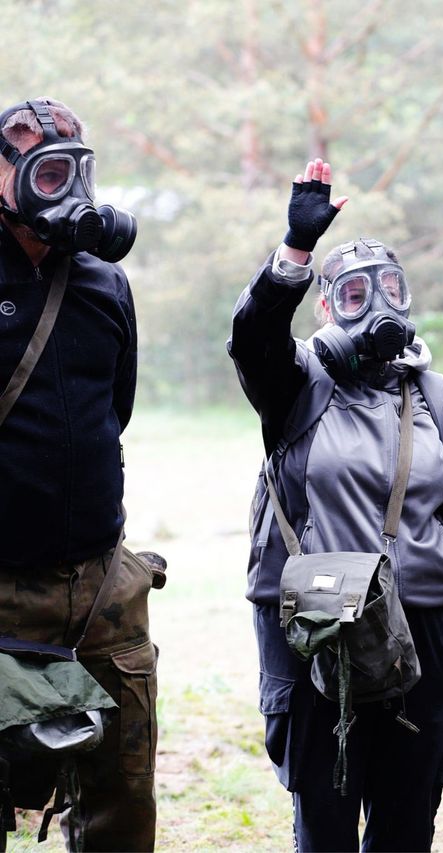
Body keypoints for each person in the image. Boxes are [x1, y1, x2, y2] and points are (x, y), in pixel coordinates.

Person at [227, 159, 443, 851]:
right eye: (356, 292)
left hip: (421, 624)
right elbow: (251, 338)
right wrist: (294, 253)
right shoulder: (292, 381)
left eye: (391, 287)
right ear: (328, 305)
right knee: (326, 816)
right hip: (316, 628)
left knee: (407, 811)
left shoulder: (436, 396)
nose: (378, 302)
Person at [0, 98, 156, 851]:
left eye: (75, 169)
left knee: (123, 802)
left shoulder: (104, 283)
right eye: (44, 170)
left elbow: (113, 412)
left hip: (103, 588)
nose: (65, 189)